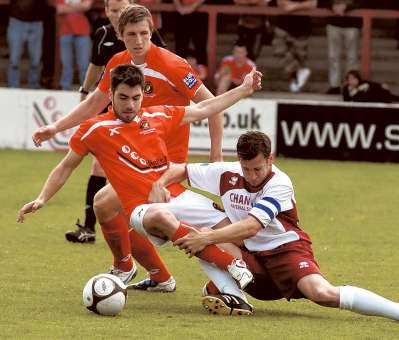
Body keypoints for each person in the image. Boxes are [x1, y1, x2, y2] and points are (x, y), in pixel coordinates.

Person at [18, 64, 262, 313]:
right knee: (157, 215)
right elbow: (65, 167)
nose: (130, 105)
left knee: (231, 234)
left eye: (136, 98)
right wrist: (41, 198)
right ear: (111, 94)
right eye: (123, 97)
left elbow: (203, 108)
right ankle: (228, 264)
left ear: (143, 95)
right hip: (142, 210)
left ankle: (234, 293)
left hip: (179, 197)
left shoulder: (157, 116)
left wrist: (243, 89)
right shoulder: (94, 129)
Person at [32, 4, 224, 293]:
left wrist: (216, 158)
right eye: (131, 34)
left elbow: (212, 107)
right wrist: (55, 128)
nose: (138, 40)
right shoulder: (118, 63)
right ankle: (156, 274)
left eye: (144, 33)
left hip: (165, 164)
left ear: (152, 32)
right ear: (120, 35)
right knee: (108, 205)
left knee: (124, 210)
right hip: (138, 157)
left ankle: (231, 267)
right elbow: (95, 103)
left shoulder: (173, 65)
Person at [149, 131, 399, 323]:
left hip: (286, 250)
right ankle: (228, 289)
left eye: (257, 169)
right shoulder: (227, 173)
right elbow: (182, 169)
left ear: (270, 160)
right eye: (246, 168)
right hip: (249, 259)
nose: (251, 176)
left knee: (321, 294)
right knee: (206, 235)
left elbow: (250, 227)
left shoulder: (280, 183)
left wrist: (205, 237)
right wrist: (160, 183)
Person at [65, 0, 130, 244]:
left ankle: (147, 225)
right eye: (113, 10)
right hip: (106, 105)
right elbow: (95, 66)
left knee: (136, 166)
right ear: (106, 11)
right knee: (98, 167)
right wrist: (85, 91)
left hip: (136, 109)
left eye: (122, 9)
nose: (117, 14)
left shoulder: (145, 34)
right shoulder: (102, 34)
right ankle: (89, 228)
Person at [274, 0, 316, 93]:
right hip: (283, 27)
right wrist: (302, 5)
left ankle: (295, 84)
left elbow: (313, 3)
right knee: (283, 55)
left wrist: (294, 7)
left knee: (300, 57)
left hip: (302, 28)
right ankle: (294, 80)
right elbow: (281, 3)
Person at [324, 0, 362, 95]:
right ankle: (334, 86)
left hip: (352, 22)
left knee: (352, 57)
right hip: (333, 21)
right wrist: (332, 5)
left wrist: (347, 6)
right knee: (333, 56)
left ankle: (351, 86)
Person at [7, 0, 47, 88]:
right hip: (17, 20)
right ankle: (12, 87)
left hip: (37, 21)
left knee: (35, 61)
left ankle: (33, 86)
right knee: (14, 60)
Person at [56, 0, 93, 90]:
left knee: (84, 64)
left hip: (83, 31)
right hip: (65, 31)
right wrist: (79, 7)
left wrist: (68, 7)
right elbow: (60, 9)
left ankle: (85, 89)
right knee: (66, 64)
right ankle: (65, 89)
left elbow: (87, 6)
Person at [173, 0, 208, 67]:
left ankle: (202, 75)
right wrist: (178, 6)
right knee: (180, 46)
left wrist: (192, 7)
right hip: (181, 12)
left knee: (200, 46)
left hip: (200, 11)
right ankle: (180, 72)